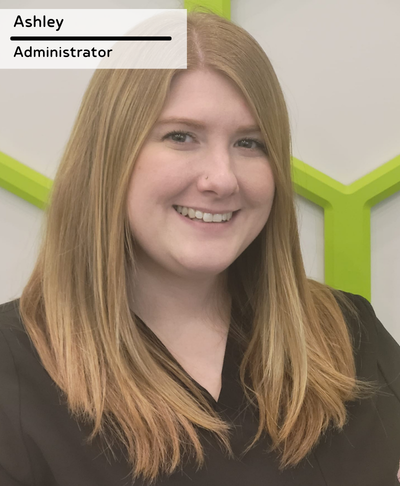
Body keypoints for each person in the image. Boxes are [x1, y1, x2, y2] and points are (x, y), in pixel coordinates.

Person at [0, 11, 399, 486]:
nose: (222, 179)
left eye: (250, 143)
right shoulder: (12, 367)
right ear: (108, 155)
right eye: (181, 136)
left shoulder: (350, 334)